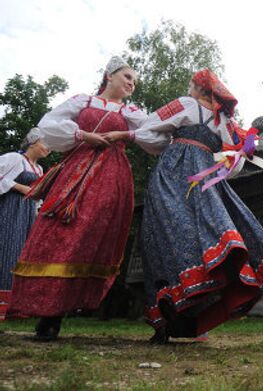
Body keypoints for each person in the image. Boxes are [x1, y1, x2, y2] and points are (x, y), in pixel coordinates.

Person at [8, 56, 165, 340]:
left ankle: (65, 308)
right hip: (75, 172)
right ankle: (48, 314)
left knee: (88, 236)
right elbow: (49, 124)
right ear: (109, 75)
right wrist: (83, 134)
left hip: (111, 176)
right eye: (127, 77)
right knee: (59, 232)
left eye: (135, 81)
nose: (132, 83)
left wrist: (125, 134)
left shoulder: (130, 111)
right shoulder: (83, 101)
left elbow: (154, 133)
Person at [140, 69, 263, 343]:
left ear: (199, 88)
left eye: (190, 86)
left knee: (161, 237)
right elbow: (235, 165)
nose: (188, 91)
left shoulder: (186, 106)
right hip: (206, 179)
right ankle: (194, 315)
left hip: (172, 174)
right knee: (204, 240)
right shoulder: (226, 123)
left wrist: (170, 147)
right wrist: (208, 160)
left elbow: (146, 130)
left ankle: (164, 319)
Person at [0, 128, 48, 320]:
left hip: (28, 212)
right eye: (45, 143)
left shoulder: (39, 169)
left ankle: (16, 305)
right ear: (33, 142)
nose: (48, 148)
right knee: (7, 249)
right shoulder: (14, 159)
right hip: (9, 209)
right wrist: (22, 188)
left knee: (23, 253)